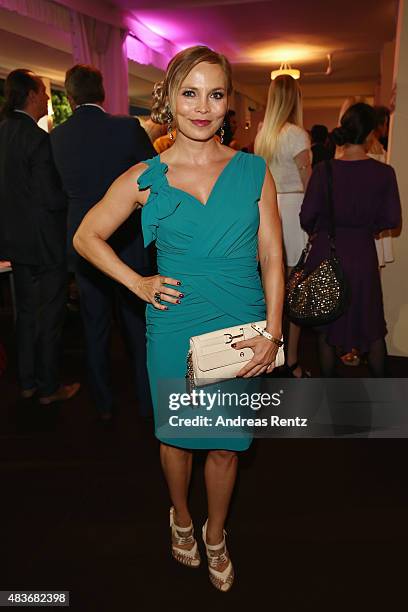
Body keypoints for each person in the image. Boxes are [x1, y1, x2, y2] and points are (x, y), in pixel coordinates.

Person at [73, 46, 284, 591]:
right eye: (190, 93)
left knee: (226, 442)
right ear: (170, 98)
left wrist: (275, 330)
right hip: (174, 324)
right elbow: (85, 236)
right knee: (179, 439)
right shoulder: (146, 176)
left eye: (215, 94)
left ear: (227, 104)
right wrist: (138, 283)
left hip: (241, 323)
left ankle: (216, 532)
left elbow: (272, 258)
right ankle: (181, 518)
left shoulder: (253, 170)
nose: (202, 107)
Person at [51, 65, 156, 421]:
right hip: (127, 239)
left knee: (94, 328)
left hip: (84, 245)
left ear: (69, 96)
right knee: (137, 328)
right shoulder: (126, 128)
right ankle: (147, 402)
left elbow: (57, 194)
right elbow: (154, 172)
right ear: (102, 92)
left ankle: (103, 404)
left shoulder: (57, 137)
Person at [300, 103, 401, 377]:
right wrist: (367, 227)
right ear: (371, 133)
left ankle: (330, 397)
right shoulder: (384, 173)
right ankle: (386, 400)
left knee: (325, 330)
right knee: (372, 330)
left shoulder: (324, 171)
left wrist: (325, 229)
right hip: (362, 254)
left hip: (327, 252)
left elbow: (306, 217)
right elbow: (393, 220)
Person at [0, 69, 80, 404]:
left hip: (14, 242)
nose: (48, 98)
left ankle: (27, 382)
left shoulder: (2, 133)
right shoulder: (37, 139)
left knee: (26, 316)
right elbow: (49, 198)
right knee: (49, 317)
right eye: (44, 92)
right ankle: (48, 387)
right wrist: (72, 197)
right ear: (32, 94)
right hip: (45, 244)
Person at [254, 74, 312, 378]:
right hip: (293, 211)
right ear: (295, 99)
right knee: (295, 291)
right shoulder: (297, 134)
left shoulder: (263, 133)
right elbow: (309, 183)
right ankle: (291, 359)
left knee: (269, 287)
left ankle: (268, 356)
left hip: (266, 208)